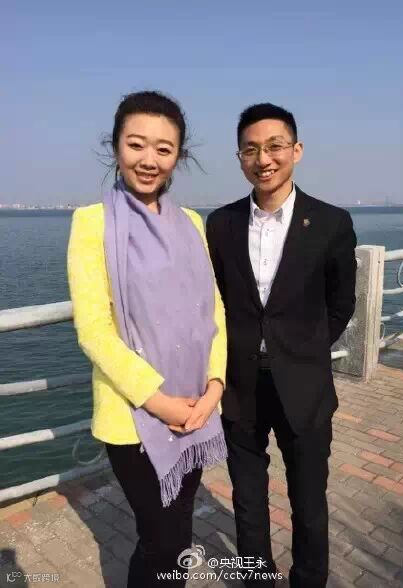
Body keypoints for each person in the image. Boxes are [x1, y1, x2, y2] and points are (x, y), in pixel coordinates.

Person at [67, 90, 227, 587]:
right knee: (161, 540)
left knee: (177, 532)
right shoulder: (91, 223)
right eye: (136, 144)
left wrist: (215, 387)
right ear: (116, 145)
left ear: (179, 155)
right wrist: (160, 402)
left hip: (197, 407)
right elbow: (94, 330)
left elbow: (214, 310)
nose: (149, 159)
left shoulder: (192, 224)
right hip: (134, 415)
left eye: (164, 148)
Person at [206, 103, 357, 587]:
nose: (263, 159)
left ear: (296, 150)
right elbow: (216, 301)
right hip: (241, 386)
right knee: (247, 501)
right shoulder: (221, 224)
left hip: (304, 386)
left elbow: (342, 302)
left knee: (308, 502)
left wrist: (304, 350)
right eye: (251, 149)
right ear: (239, 157)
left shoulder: (331, 222)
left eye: (274, 146)